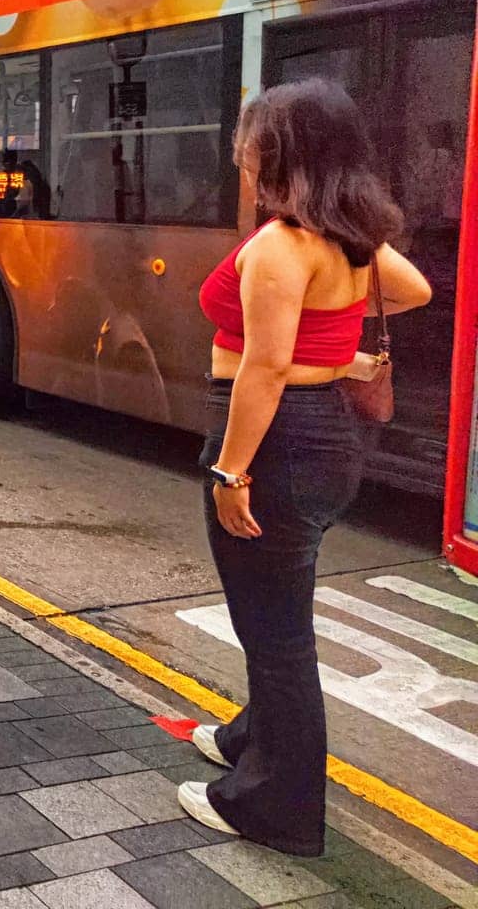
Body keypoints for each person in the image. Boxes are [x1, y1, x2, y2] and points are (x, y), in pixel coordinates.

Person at [184, 79, 431, 856]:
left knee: (277, 631)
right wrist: (334, 362)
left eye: (251, 137)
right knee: (278, 613)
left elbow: (260, 368)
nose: (241, 152)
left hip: (275, 445)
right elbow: (415, 289)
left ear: (280, 154)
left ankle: (275, 807)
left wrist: (229, 474)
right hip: (325, 442)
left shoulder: (281, 246)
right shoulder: (353, 239)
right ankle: (247, 739)